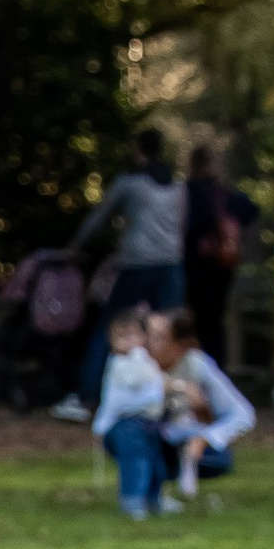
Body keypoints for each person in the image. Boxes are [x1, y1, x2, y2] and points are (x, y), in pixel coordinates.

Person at [56, 129, 187, 419]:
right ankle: (179, 399)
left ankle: (86, 396)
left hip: (138, 265)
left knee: (111, 328)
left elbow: (98, 219)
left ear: (138, 150)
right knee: (170, 330)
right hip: (171, 265)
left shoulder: (130, 185)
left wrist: (76, 246)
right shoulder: (178, 188)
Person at [154, 307, 254, 498]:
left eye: (160, 338)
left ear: (180, 345)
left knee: (219, 457)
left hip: (180, 436)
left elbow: (242, 413)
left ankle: (175, 473)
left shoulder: (195, 364)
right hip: (146, 434)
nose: (149, 344)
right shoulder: (135, 361)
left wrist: (206, 437)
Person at [182, 145, 257, 364]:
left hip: (198, 267)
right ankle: (215, 367)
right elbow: (250, 210)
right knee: (214, 321)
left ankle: (202, 367)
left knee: (199, 321)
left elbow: (191, 225)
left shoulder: (191, 191)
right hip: (221, 267)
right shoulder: (223, 194)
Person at [91, 308, 170, 517]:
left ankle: (154, 498)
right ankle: (132, 500)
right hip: (126, 424)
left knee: (155, 461)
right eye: (122, 337)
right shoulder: (120, 364)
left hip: (150, 421)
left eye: (134, 335)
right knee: (136, 461)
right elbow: (126, 391)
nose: (129, 342)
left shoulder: (145, 359)